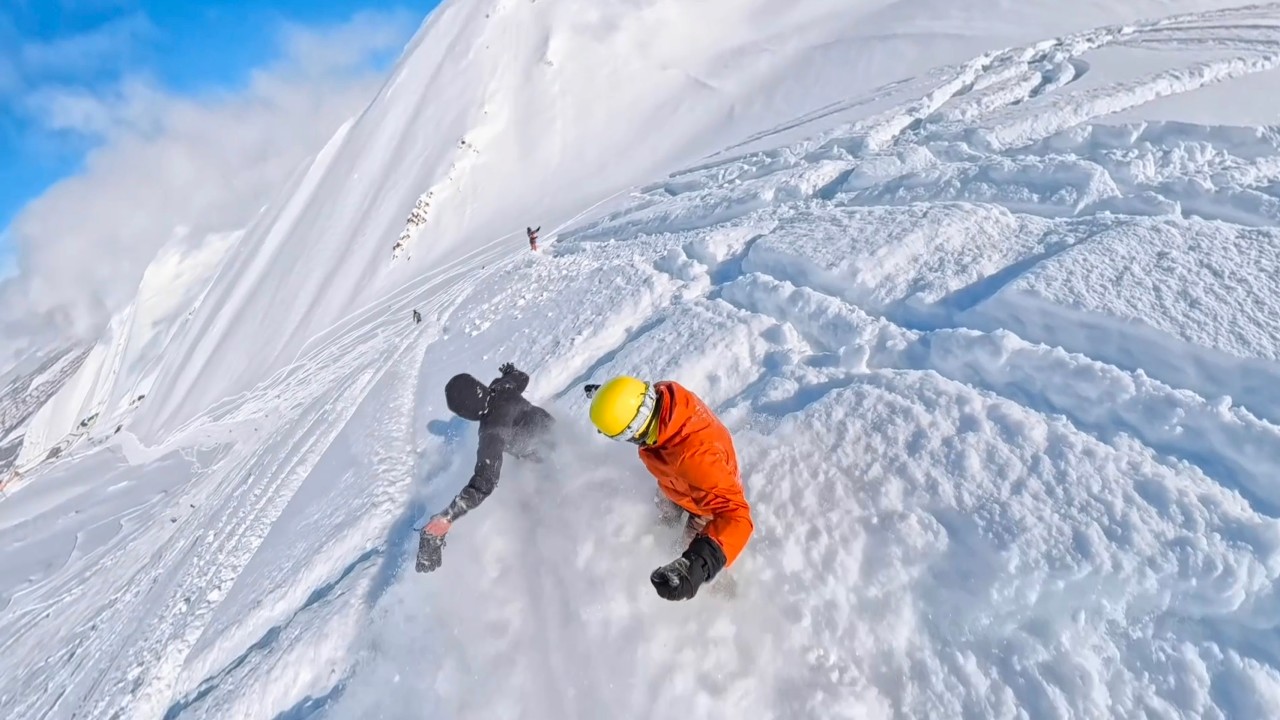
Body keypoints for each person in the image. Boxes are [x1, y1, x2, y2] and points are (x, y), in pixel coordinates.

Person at [584, 376, 752, 600]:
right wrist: (609, 398)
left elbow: (737, 516)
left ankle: (725, 595)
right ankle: (667, 524)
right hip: (675, 482)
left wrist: (699, 563)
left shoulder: (696, 458)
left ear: (632, 430)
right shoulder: (662, 399)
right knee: (664, 504)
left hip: (706, 505)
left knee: (690, 549)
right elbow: (631, 401)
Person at [417, 363, 555, 573]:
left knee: (541, 502)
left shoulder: (492, 429)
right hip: (555, 431)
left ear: (466, 412)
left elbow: (485, 482)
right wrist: (509, 372)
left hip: (545, 461)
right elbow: (522, 378)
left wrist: (448, 516)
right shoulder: (501, 388)